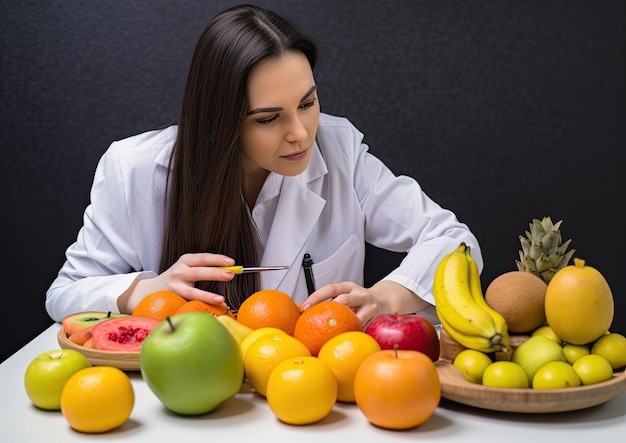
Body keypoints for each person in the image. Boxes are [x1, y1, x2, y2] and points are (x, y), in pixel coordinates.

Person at [45, 3, 482, 327]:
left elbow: (453, 242)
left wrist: (386, 297)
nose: (301, 133)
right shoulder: (132, 169)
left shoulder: (339, 147)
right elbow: (64, 293)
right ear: (221, 120)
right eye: (269, 119)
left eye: (308, 103)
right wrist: (144, 291)